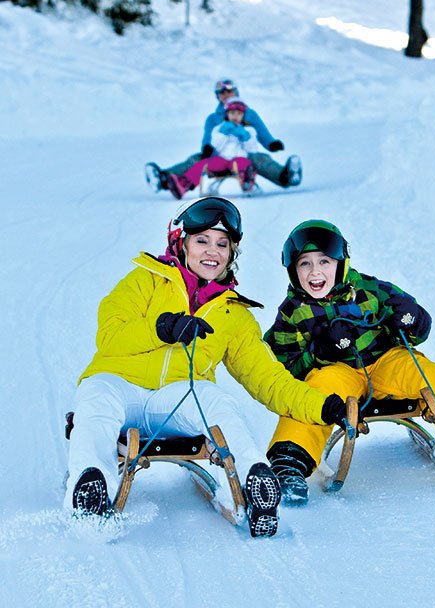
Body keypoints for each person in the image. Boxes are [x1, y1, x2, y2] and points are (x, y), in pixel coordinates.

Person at [64, 199, 346, 537]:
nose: (212, 251)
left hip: (177, 396)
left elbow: (267, 379)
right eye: (202, 240)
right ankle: (90, 488)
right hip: (119, 385)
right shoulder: (145, 280)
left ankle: (253, 478)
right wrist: (161, 327)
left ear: (232, 253)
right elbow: (109, 335)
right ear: (181, 243)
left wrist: (322, 405)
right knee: (95, 400)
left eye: (222, 244)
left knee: (216, 400)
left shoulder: (233, 314)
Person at [264, 219, 435, 505]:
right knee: (315, 394)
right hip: (337, 372)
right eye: (305, 264)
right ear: (293, 269)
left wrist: (412, 319)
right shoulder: (292, 312)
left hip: (386, 361)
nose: (315, 271)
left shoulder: (369, 289)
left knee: (427, 373)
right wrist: (321, 353)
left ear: (340, 263)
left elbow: (417, 327)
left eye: (324, 261)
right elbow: (281, 368)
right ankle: (289, 463)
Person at [145, 79, 302, 194]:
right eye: (222, 92)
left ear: (235, 92)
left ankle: (286, 176)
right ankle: (164, 178)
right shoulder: (213, 118)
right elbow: (208, 137)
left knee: (259, 158)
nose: (226, 94)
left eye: (229, 91)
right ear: (217, 96)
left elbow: (260, 131)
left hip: (243, 155)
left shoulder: (248, 113)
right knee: (195, 159)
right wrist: (207, 147)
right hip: (218, 155)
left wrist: (271, 143)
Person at [165, 97, 257, 199]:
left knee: (242, 163)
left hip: (239, 158)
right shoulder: (219, 129)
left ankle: (247, 182)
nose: (235, 116)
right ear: (227, 114)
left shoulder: (249, 130)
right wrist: (224, 134)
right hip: (222, 159)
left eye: (239, 114)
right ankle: (183, 185)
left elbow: (252, 150)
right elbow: (215, 145)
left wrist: (245, 137)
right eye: (232, 113)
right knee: (202, 164)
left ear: (243, 116)